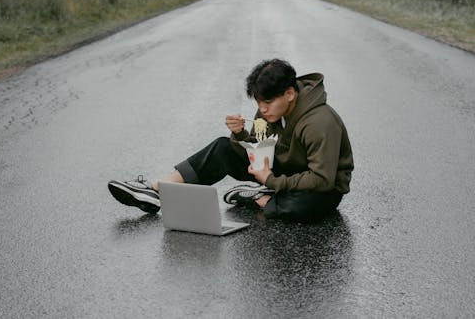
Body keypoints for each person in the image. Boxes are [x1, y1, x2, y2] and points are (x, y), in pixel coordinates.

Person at [107, 58, 354, 221]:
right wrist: (239, 135)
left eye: (267, 102)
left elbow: (322, 179)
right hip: (280, 173)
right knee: (222, 147)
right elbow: (257, 147)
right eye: (258, 103)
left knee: (306, 208)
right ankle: (158, 189)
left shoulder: (319, 122)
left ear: (290, 94)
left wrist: (270, 180)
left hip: (323, 187)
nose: (263, 109)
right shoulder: (270, 112)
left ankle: (260, 197)